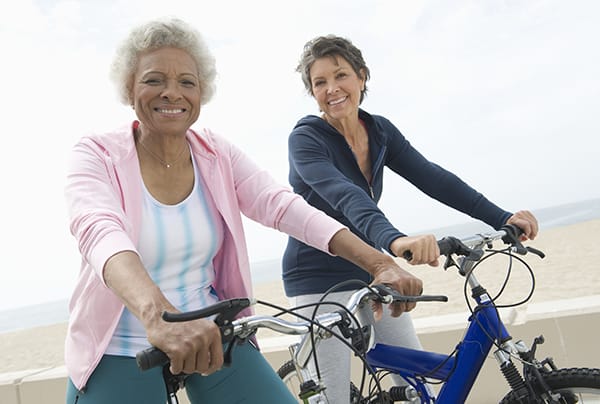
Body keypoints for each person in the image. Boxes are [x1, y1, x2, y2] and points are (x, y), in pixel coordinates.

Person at [63, 18, 424, 404]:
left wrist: (379, 262)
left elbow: (283, 206)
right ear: (129, 86)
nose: (172, 93)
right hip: (123, 346)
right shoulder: (97, 155)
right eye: (154, 80)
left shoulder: (215, 154)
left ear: (201, 92)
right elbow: (100, 232)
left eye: (187, 82)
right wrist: (158, 317)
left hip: (212, 336)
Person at [283, 34, 539, 403]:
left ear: (362, 77)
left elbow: (433, 178)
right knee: (332, 398)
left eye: (340, 76)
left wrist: (501, 217)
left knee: (424, 389)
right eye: (319, 82)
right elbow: (345, 195)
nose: (332, 89)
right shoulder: (306, 139)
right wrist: (395, 240)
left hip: (374, 272)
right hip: (318, 281)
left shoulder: (379, 130)